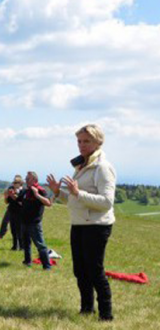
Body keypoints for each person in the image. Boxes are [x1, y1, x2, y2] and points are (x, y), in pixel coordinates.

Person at [47, 124, 116, 321]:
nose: (81, 145)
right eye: (79, 141)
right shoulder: (81, 165)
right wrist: (59, 192)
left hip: (97, 225)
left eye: (87, 141)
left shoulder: (102, 167)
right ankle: (87, 308)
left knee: (95, 270)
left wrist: (78, 192)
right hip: (78, 224)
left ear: (98, 142)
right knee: (80, 270)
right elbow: (74, 200)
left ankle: (106, 314)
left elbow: (106, 202)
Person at [17, 171, 52, 270]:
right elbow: (19, 201)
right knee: (26, 243)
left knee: (40, 245)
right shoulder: (25, 191)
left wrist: (37, 195)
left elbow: (48, 203)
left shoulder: (40, 190)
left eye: (28, 179)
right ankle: (27, 261)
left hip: (34, 223)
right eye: (26, 178)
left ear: (35, 180)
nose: (26, 180)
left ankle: (47, 266)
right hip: (24, 222)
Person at [1, 175, 24, 250]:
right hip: (12, 211)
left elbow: (21, 202)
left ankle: (21, 246)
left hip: (20, 212)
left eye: (16, 182)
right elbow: (6, 202)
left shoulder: (23, 191)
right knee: (13, 229)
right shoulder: (11, 190)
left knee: (19, 230)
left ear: (20, 183)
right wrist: (6, 196)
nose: (14, 184)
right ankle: (14, 246)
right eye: (14, 182)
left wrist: (13, 195)